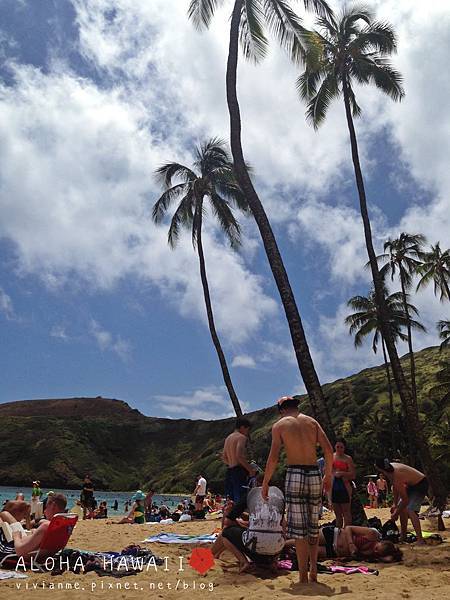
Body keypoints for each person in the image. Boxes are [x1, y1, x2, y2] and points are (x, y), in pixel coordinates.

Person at [262, 396, 333, 585]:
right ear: (296, 406)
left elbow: (274, 458)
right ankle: (314, 570)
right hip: (314, 474)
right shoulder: (311, 422)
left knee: (300, 530)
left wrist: (265, 482)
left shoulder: (280, 425)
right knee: (313, 525)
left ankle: (302, 575)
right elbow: (328, 450)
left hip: (295, 473)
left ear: (281, 410)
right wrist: (328, 475)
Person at [213, 482, 285, 573]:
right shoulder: (279, 496)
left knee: (227, 532)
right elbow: (282, 525)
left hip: (256, 550)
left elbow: (227, 523)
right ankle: (272, 563)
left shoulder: (253, 493)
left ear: (258, 484)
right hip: (275, 551)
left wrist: (230, 515)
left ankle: (243, 562)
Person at [375, 459, 428, 544]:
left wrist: (396, 513)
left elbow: (405, 500)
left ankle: (420, 539)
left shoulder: (396, 475)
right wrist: (395, 504)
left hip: (420, 484)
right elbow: (395, 487)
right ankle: (403, 536)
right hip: (410, 485)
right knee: (402, 509)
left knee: (411, 510)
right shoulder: (389, 469)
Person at [0, 494, 67, 561]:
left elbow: (20, 551)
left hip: (16, 550)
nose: (45, 509)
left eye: (46, 506)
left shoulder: (46, 526)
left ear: (53, 506)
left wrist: (16, 537)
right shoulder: (64, 524)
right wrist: (35, 533)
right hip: (37, 551)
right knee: (5, 514)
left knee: (2, 518)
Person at [318, 524, 402, 562]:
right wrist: (351, 544)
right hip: (333, 535)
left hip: (334, 551)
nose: (375, 550)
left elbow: (389, 558)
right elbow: (348, 528)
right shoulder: (372, 534)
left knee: (308, 553)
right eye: (376, 548)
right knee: (310, 540)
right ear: (381, 542)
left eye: (378, 552)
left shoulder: (373, 557)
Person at [222, 417, 256, 503]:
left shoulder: (228, 438)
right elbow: (239, 456)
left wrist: (232, 463)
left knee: (231, 501)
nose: (247, 432)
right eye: (247, 429)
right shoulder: (241, 437)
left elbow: (224, 457)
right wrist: (250, 470)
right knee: (241, 500)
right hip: (239, 472)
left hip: (229, 471)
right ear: (242, 427)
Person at [331, 439, 356, 528]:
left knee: (346, 512)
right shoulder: (331, 456)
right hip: (334, 486)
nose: (339, 449)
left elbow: (353, 474)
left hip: (345, 485)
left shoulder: (348, 459)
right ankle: (338, 533)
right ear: (335, 447)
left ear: (344, 448)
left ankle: (347, 532)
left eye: (341, 447)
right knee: (337, 513)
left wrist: (342, 473)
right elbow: (327, 472)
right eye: (337, 447)